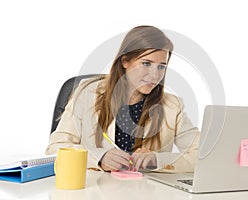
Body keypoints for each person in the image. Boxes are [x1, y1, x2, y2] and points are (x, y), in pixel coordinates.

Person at [45, 25, 200, 173]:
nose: (154, 75)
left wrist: (156, 159)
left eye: (161, 66)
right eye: (146, 63)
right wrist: (99, 158)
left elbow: (202, 155)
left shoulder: (172, 106)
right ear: (125, 61)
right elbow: (55, 149)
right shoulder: (87, 93)